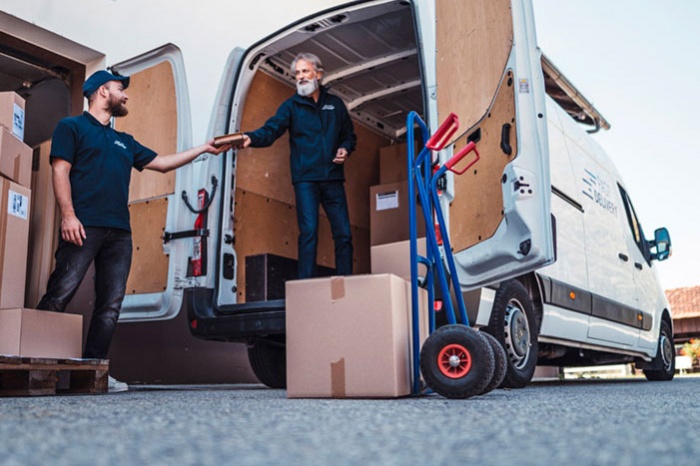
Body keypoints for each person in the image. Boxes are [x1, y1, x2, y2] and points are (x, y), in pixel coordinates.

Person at [36, 70, 230, 392]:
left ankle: (92, 373)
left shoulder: (124, 141)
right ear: (101, 92)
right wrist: (68, 216)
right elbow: (61, 171)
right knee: (60, 293)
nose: (125, 95)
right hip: (83, 226)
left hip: (119, 234)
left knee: (110, 306)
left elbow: (164, 163)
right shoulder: (71, 127)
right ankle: (33, 367)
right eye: (120, 89)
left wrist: (204, 149)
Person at [242, 52, 357, 279]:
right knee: (309, 233)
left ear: (318, 74)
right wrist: (250, 138)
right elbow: (271, 130)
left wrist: (345, 148)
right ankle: (306, 284)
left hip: (333, 178)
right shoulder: (291, 106)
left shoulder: (335, 105)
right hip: (305, 180)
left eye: (305, 71)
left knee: (343, 233)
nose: (300, 77)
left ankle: (346, 281)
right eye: (297, 73)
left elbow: (349, 135)